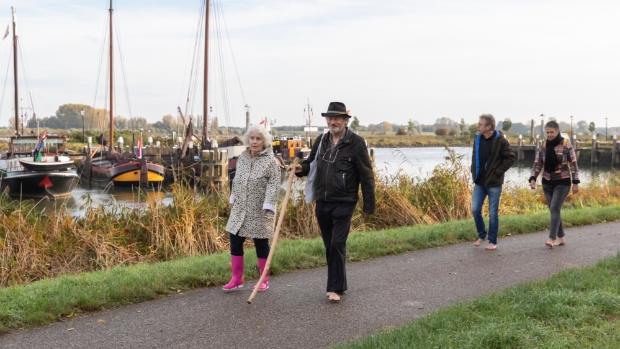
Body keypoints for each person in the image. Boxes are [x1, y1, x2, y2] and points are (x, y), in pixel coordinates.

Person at [288, 101, 375, 302]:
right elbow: (311, 164)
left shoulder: (356, 143)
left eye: (337, 118)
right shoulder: (322, 140)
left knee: (337, 243)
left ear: (345, 120)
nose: (332, 121)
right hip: (323, 201)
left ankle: (334, 288)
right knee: (329, 246)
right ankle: (340, 284)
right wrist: (300, 169)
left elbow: (366, 176)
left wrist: (369, 204)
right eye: (330, 118)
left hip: (345, 201)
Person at [223, 124, 281, 292]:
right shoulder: (243, 157)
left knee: (261, 243)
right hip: (240, 207)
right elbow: (237, 179)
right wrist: (233, 197)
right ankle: (236, 279)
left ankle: (264, 280)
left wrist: (268, 204)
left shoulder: (271, 161)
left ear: (264, 141)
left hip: (260, 208)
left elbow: (274, 185)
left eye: (258, 138)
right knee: (235, 240)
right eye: (252, 138)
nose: (254, 142)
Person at [529, 121, 580, 248]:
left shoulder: (566, 145)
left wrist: (575, 182)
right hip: (547, 182)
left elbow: (574, 165)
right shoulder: (543, 146)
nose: (549, 135)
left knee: (554, 208)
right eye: (547, 132)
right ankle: (561, 238)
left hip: (562, 181)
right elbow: (537, 163)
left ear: (557, 131)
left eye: (552, 132)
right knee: (554, 209)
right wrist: (533, 178)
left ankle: (551, 238)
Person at [470, 114, 515, 250]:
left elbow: (510, 158)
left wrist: (497, 171)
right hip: (479, 182)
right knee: (475, 209)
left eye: (480, 124)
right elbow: (474, 158)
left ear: (488, 127)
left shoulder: (501, 141)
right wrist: (473, 171)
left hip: (494, 183)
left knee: (493, 212)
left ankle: (492, 241)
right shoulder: (477, 139)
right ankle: (482, 234)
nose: (477, 126)